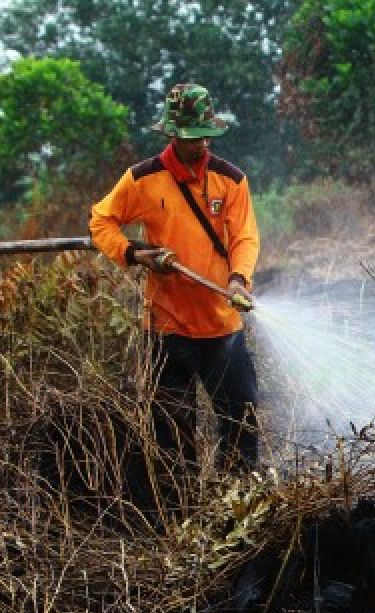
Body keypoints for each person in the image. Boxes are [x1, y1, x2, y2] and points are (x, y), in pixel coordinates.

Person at [90, 82, 261, 477]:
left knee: (241, 418)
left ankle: (235, 504)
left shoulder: (231, 181)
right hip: (167, 328)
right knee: (171, 432)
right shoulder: (143, 180)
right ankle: (178, 516)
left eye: (205, 136)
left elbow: (245, 237)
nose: (199, 145)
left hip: (222, 326)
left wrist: (238, 279)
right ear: (171, 133)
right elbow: (101, 220)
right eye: (190, 137)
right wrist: (135, 253)